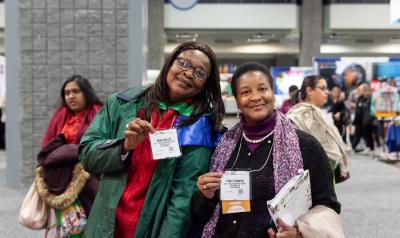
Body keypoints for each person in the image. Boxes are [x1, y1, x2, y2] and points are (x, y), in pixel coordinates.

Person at [78, 41, 225, 238]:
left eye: (199, 73)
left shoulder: (199, 128)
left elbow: (181, 201)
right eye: (184, 63)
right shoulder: (123, 104)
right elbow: (87, 154)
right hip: (105, 225)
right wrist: (123, 147)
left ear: (205, 84)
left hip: (151, 228)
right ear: (170, 63)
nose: (188, 74)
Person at [192, 62, 343, 238]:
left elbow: (328, 205)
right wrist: (205, 196)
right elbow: (200, 215)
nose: (256, 97)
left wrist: (299, 233)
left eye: (262, 89)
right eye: (246, 92)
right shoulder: (224, 148)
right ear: (237, 100)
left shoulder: (306, 146)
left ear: (272, 92)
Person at [35, 75, 102, 237]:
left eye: (75, 91)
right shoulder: (61, 115)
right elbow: (48, 148)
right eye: (67, 93)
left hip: (91, 180)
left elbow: (102, 146)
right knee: (70, 227)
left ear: (86, 93)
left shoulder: (99, 113)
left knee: (93, 224)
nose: (70, 96)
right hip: (62, 182)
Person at [287, 75, 349, 184]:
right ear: (310, 91)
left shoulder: (317, 113)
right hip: (312, 179)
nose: (327, 92)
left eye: (327, 88)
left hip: (326, 175)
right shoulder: (301, 115)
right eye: (323, 88)